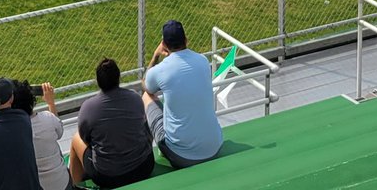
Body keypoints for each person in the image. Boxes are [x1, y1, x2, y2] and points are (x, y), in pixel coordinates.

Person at [142, 20, 222, 170]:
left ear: (164, 44)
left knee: (146, 96)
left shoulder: (160, 70)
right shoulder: (203, 61)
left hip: (181, 156)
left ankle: (144, 154)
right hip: (214, 148)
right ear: (186, 40)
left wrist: (155, 56)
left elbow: (146, 86)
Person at [70, 57, 154, 189]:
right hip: (143, 168)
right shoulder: (135, 98)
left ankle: (75, 186)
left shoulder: (88, 107)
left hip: (108, 177)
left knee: (76, 139)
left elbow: (85, 137)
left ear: (98, 81)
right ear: (118, 77)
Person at [12, 81, 70, 190]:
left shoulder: (12, 131)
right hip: (62, 184)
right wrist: (51, 103)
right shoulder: (48, 118)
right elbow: (59, 132)